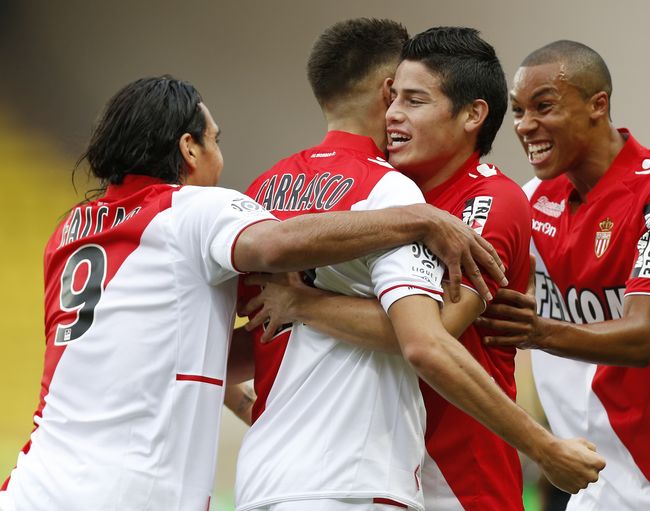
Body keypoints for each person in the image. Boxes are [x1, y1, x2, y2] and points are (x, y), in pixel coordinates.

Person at [0, 75, 507, 511]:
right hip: (127, 489)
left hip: (32, 482)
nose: (221, 156)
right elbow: (278, 245)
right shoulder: (194, 209)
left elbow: (161, 350)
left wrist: (256, 395)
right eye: (216, 141)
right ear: (189, 149)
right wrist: (418, 217)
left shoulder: (67, 233)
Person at [234, 22, 604, 511]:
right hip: (378, 466)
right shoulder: (381, 194)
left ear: (473, 115)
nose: (392, 116)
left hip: (460, 481)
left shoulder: (492, 199)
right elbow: (257, 330)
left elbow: (434, 333)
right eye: (392, 100)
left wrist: (304, 304)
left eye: (414, 101)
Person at [479, 40, 650, 510]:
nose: (526, 126)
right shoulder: (532, 198)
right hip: (592, 478)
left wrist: (537, 331)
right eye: (519, 111)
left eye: (543, 106)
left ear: (598, 105)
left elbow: (641, 336)